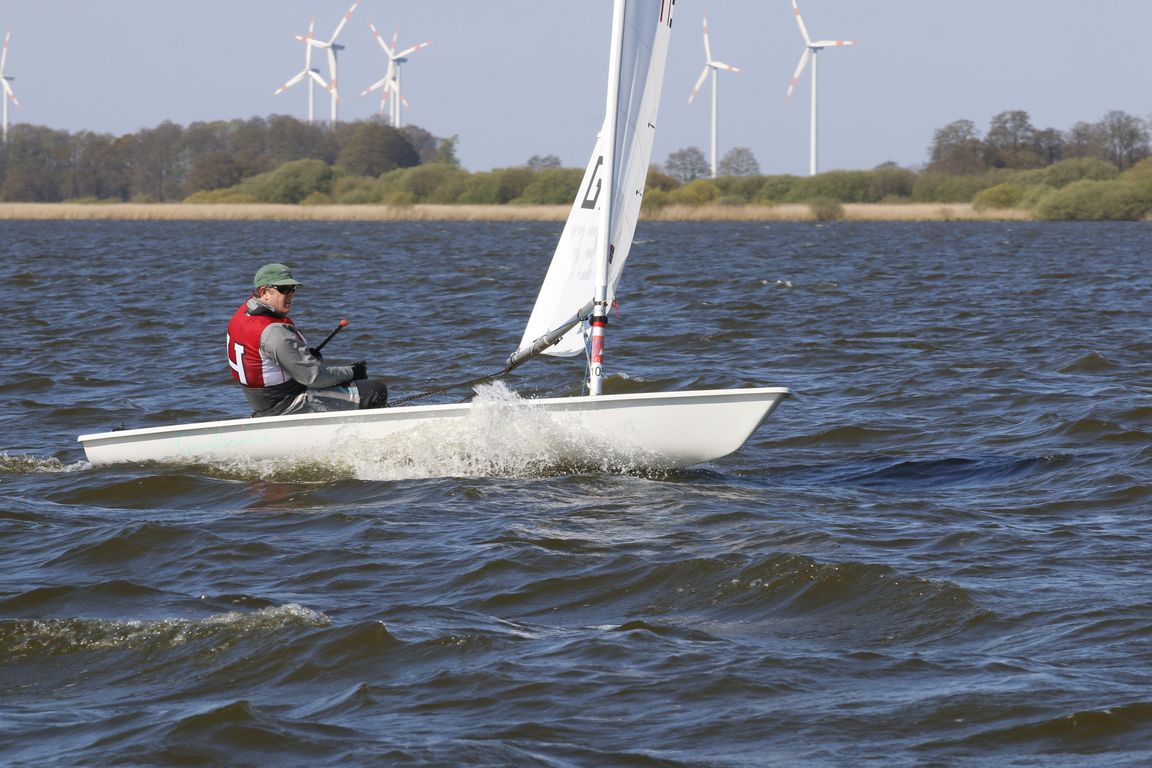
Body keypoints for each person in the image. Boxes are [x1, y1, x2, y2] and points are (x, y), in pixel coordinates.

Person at [226, 263, 388, 417]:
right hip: (287, 403)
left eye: (292, 289)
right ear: (263, 292)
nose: (290, 295)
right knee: (374, 390)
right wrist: (352, 372)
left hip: (263, 402)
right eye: (283, 289)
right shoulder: (274, 332)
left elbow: (263, 358)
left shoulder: (242, 314)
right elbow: (313, 377)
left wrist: (302, 356)